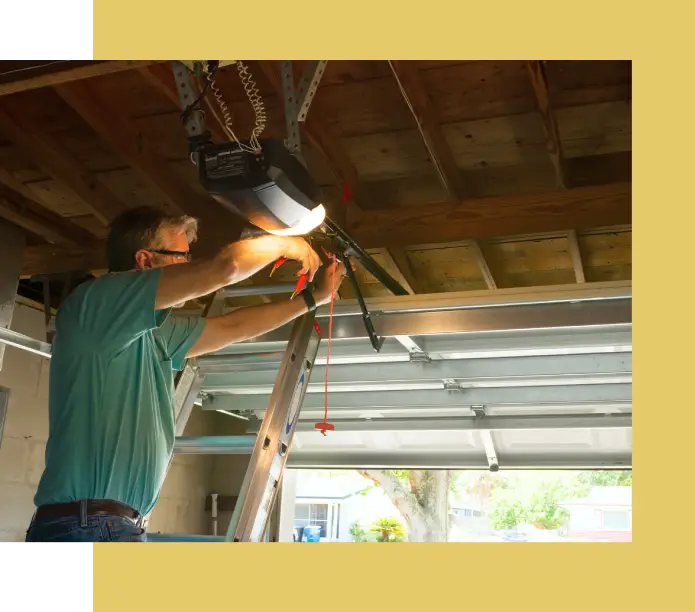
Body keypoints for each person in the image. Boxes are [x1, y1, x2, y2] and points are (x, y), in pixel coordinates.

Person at [24, 206, 346, 544]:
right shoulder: (95, 306)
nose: (188, 266)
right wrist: (287, 243)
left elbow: (233, 326)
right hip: (88, 524)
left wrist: (312, 299)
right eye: (181, 256)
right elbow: (226, 267)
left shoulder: (156, 333)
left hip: (105, 524)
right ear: (145, 260)